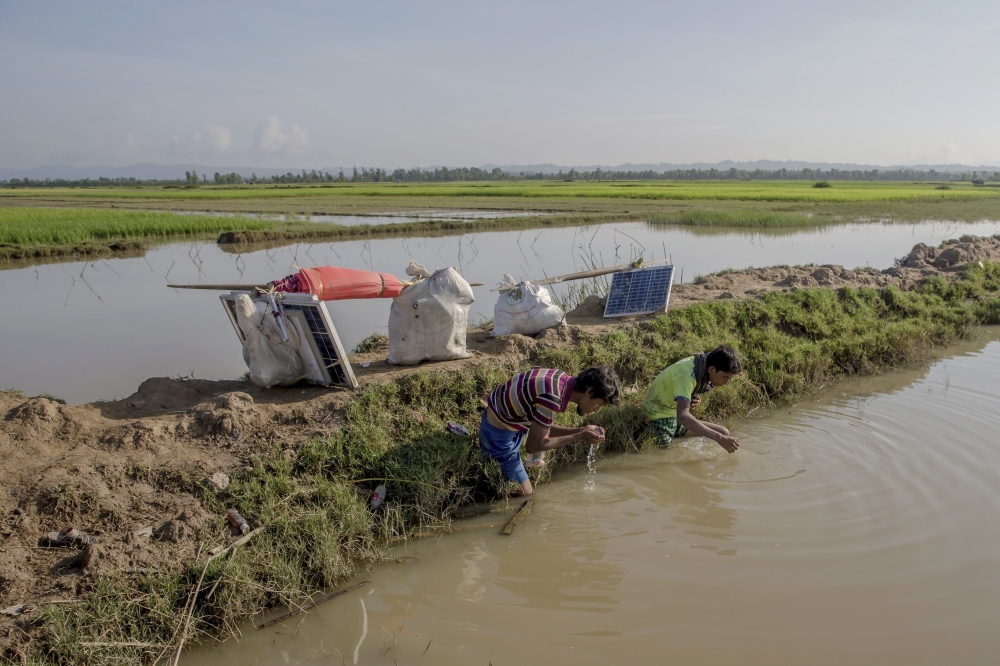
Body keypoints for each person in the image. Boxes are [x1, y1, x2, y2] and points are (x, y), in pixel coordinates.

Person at [479, 365, 621, 496]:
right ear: (589, 392)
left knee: (540, 452)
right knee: (527, 495)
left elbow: (543, 427)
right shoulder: (552, 399)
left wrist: (582, 430)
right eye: (599, 404)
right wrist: (579, 435)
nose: (597, 410)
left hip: (509, 417)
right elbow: (533, 447)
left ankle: (522, 471)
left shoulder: (560, 378)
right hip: (497, 434)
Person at [643, 345, 743, 452]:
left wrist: (693, 399)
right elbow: (683, 416)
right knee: (667, 455)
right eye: (725, 377)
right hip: (657, 417)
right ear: (712, 369)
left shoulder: (700, 367)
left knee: (724, 432)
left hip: (673, 417)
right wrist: (718, 438)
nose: (726, 383)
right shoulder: (687, 374)